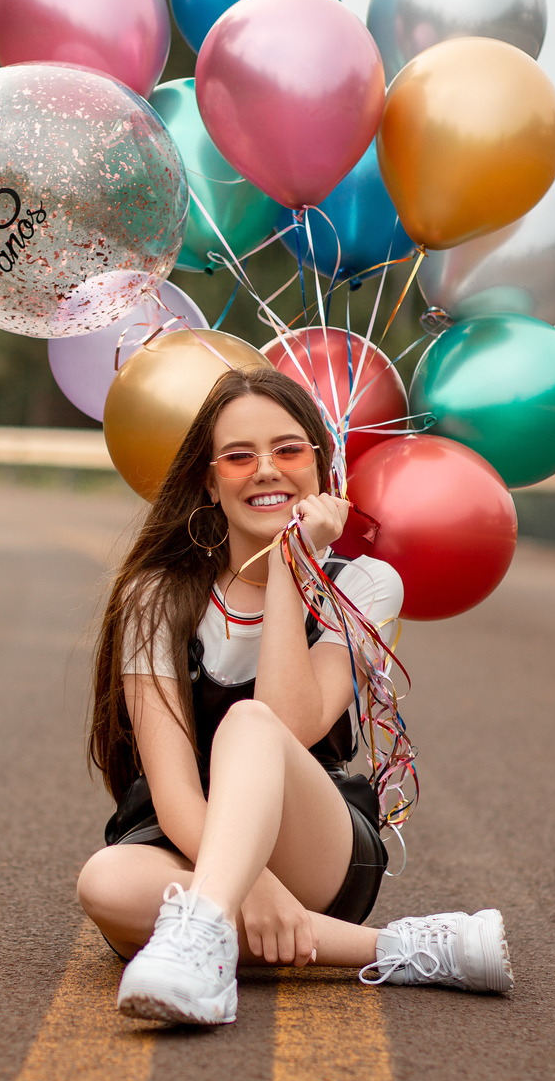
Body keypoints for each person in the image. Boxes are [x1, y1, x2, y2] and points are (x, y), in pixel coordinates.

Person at [80, 364, 512, 1026]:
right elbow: (171, 795)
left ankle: (202, 929)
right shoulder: (157, 596)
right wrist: (246, 885)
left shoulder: (367, 584)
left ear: (321, 465)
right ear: (207, 476)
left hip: (319, 844)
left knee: (252, 725)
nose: (266, 471)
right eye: (238, 456)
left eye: (288, 450)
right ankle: (407, 949)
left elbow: (292, 723)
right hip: (185, 837)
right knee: (104, 881)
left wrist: (289, 566)